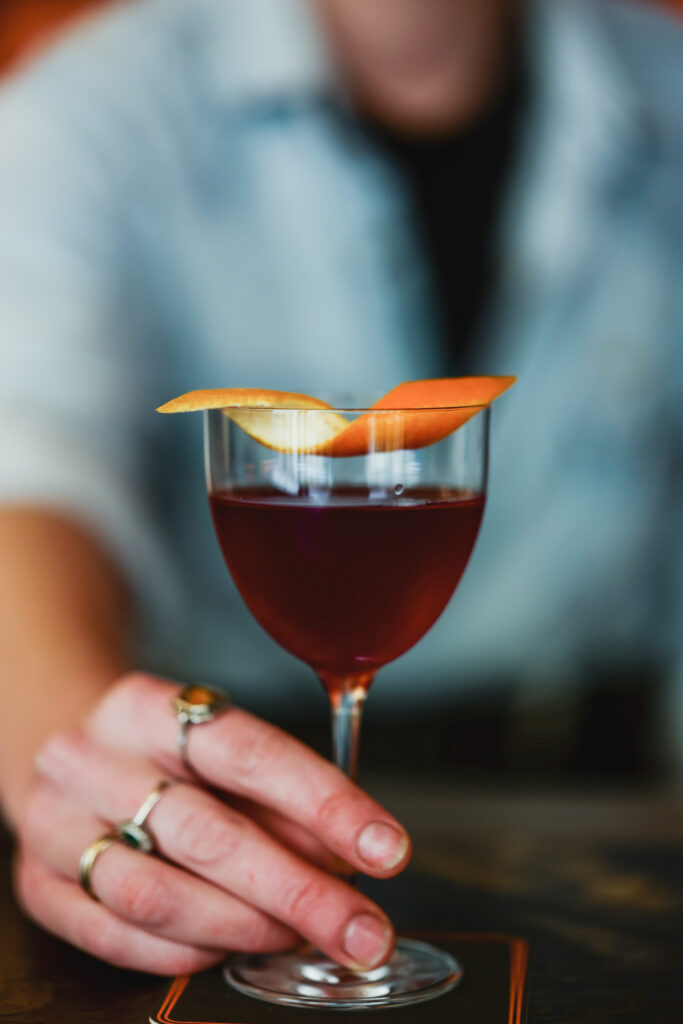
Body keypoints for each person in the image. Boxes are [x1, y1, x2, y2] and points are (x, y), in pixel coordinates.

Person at [0, 0, 681, 973]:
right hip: (231, 829)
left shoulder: (665, 92)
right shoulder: (91, 117)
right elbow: (30, 471)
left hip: (609, 822)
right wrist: (68, 759)